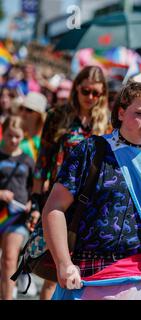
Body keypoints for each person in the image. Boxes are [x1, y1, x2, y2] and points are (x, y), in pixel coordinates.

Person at [42, 82, 141, 300]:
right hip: (87, 274)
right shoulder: (91, 150)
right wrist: (64, 264)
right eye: (140, 113)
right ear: (120, 112)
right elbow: (54, 208)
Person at [32, 66, 109, 300]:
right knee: (54, 270)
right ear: (76, 87)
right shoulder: (58, 115)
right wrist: (36, 203)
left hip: (89, 206)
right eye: (86, 91)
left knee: (81, 274)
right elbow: (43, 161)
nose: (90, 98)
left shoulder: (106, 122)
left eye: (96, 93)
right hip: (60, 200)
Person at [0, 116, 35, 299]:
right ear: (3, 133)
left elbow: (33, 188)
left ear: (23, 136)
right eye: (9, 135)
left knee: (9, 259)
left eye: (17, 136)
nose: (13, 140)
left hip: (17, 217)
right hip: (1, 214)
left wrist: (32, 203)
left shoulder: (28, 160)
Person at [17, 92, 47, 161]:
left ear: (39, 116)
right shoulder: (12, 135)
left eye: (29, 110)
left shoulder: (43, 143)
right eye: (21, 108)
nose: (23, 113)